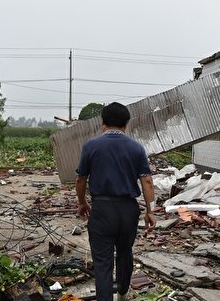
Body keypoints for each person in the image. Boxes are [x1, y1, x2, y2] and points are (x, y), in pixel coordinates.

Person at [76, 102, 157, 301]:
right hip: (128, 210)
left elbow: (81, 179)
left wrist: (82, 202)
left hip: (102, 210)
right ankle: (122, 292)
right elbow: (147, 181)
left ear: (102, 122)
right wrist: (151, 211)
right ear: (126, 123)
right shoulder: (136, 148)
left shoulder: (91, 146)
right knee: (124, 252)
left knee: (103, 263)